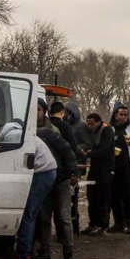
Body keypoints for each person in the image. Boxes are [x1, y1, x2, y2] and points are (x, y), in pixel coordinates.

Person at [3, 136, 58, 259]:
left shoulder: (11, 137)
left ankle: (23, 257)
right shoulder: (19, 133)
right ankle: (26, 252)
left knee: (27, 214)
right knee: (30, 215)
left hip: (41, 173)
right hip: (47, 172)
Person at [33, 116, 79, 259]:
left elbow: (67, 151)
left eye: (39, 109)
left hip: (60, 179)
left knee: (63, 216)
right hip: (44, 180)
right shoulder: (30, 134)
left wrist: (74, 173)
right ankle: (45, 252)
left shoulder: (49, 133)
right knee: (44, 217)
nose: (35, 113)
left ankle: (68, 253)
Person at [109, 102, 130, 235]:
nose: (123, 117)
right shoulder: (110, 129)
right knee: (114, 196)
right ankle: (118, 222)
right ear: (115, 115)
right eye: (121, 114)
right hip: (113, 166)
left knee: (128, 195)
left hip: (128, 166)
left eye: (125, 115)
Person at [49, 101, 82, 237]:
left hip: (45, 169)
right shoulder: (65, 127)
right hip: (62, 171)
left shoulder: (44, 125)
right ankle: (63, 234)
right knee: (63, 207)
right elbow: (72, 148)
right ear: (62, 112)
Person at [83, 113, 115, 237]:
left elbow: (103, 150)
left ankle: (102, 225)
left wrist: (88, 154)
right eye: (88, 124)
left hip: (105, 169)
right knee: (91, 197)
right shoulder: (92, 132)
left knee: (102, 198)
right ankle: (93, 223)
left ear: (98, 122)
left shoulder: (106, 131)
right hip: (94, 168)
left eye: (91, 124)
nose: (90, 126)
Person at [65, 102, 90, 236]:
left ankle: (75, 228)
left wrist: (74, 147)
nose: (67, 115)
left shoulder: (81, 126)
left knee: (73, 198)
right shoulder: (67, 125)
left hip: (77, 166)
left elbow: (88, 143)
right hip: (67, 165)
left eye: (69, 113)